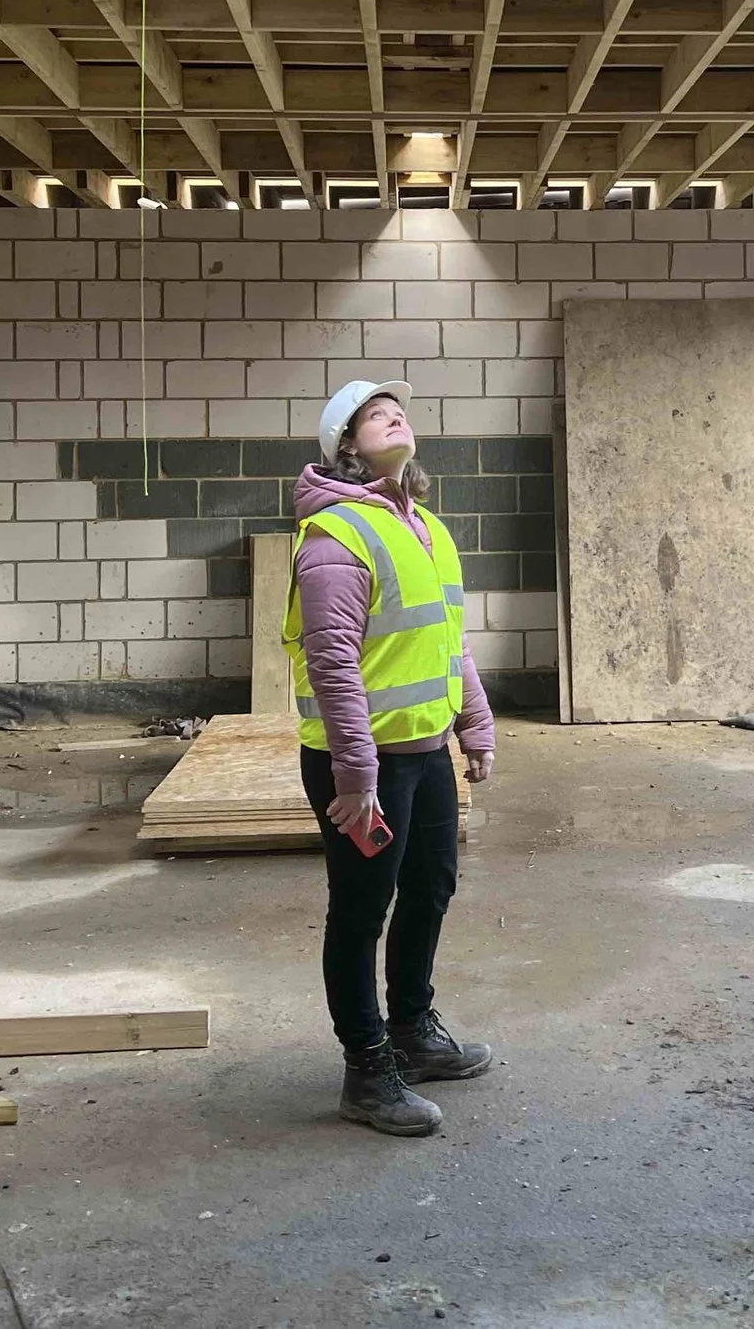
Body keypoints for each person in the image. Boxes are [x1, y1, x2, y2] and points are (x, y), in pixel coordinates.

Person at [285, 379, 499, 1136]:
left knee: (431, 886)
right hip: (361, 761)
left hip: (425, 750)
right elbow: (332, 662)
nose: (396, 415)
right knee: (361, 909)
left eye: (400, 408)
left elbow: (449, 640)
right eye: (377, 413)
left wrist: (474, 724)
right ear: (347, 444)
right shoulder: (335, 537)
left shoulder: (428, 528)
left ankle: (412, 1028)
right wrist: (357, 774)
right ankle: (367, 1068)